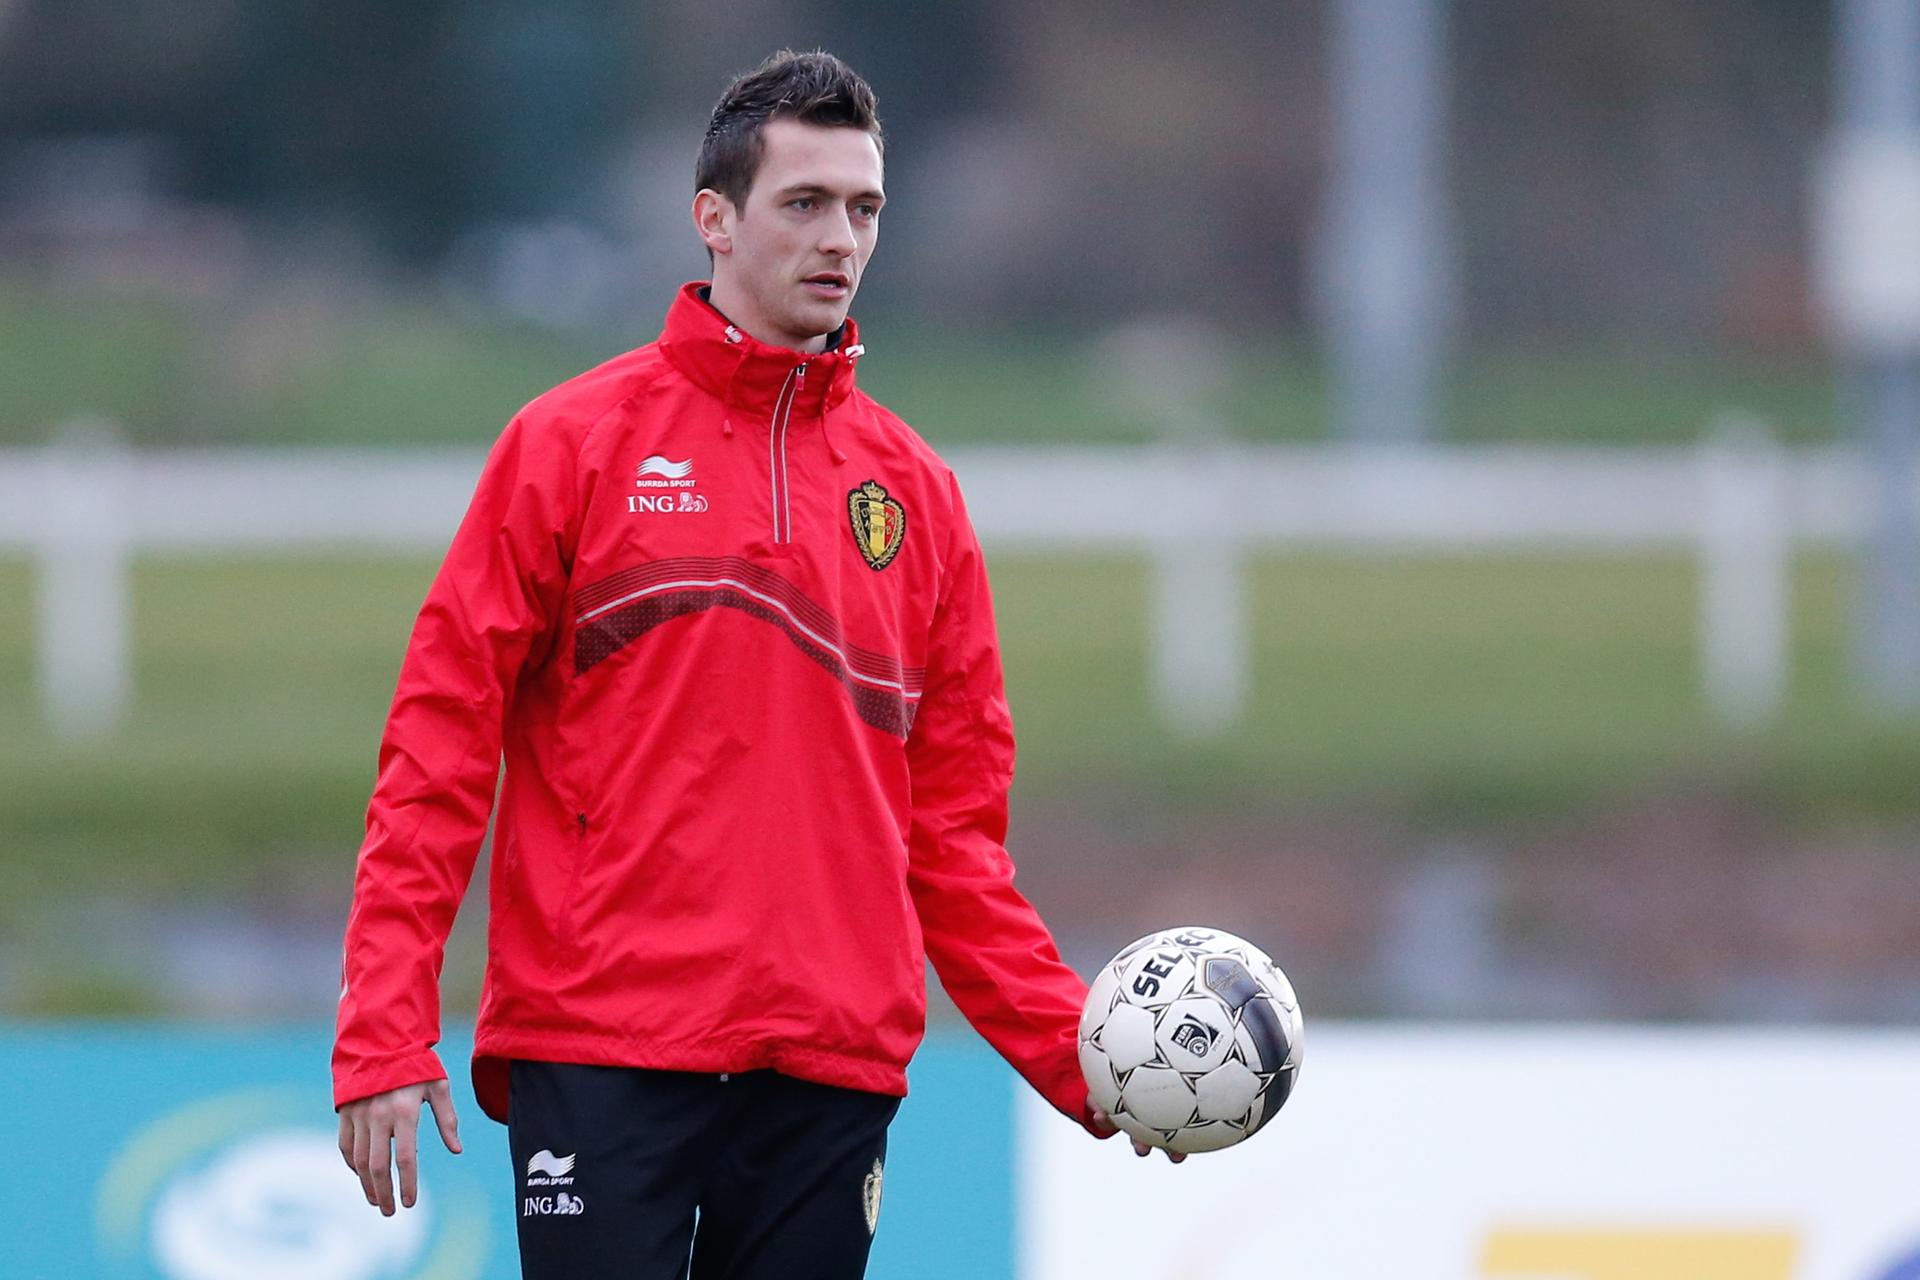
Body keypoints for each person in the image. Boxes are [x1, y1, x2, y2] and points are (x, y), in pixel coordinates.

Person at [332, 47, 1174, 1280]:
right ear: (713, 221)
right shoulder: (569, 447)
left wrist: (1087, 1061)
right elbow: (436, 752)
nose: (841, 238)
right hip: (604, 1044)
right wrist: (382, 1030)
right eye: (806, 203)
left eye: (865, 208)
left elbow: (951, 844)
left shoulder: (919, 499)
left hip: (828, 1070)